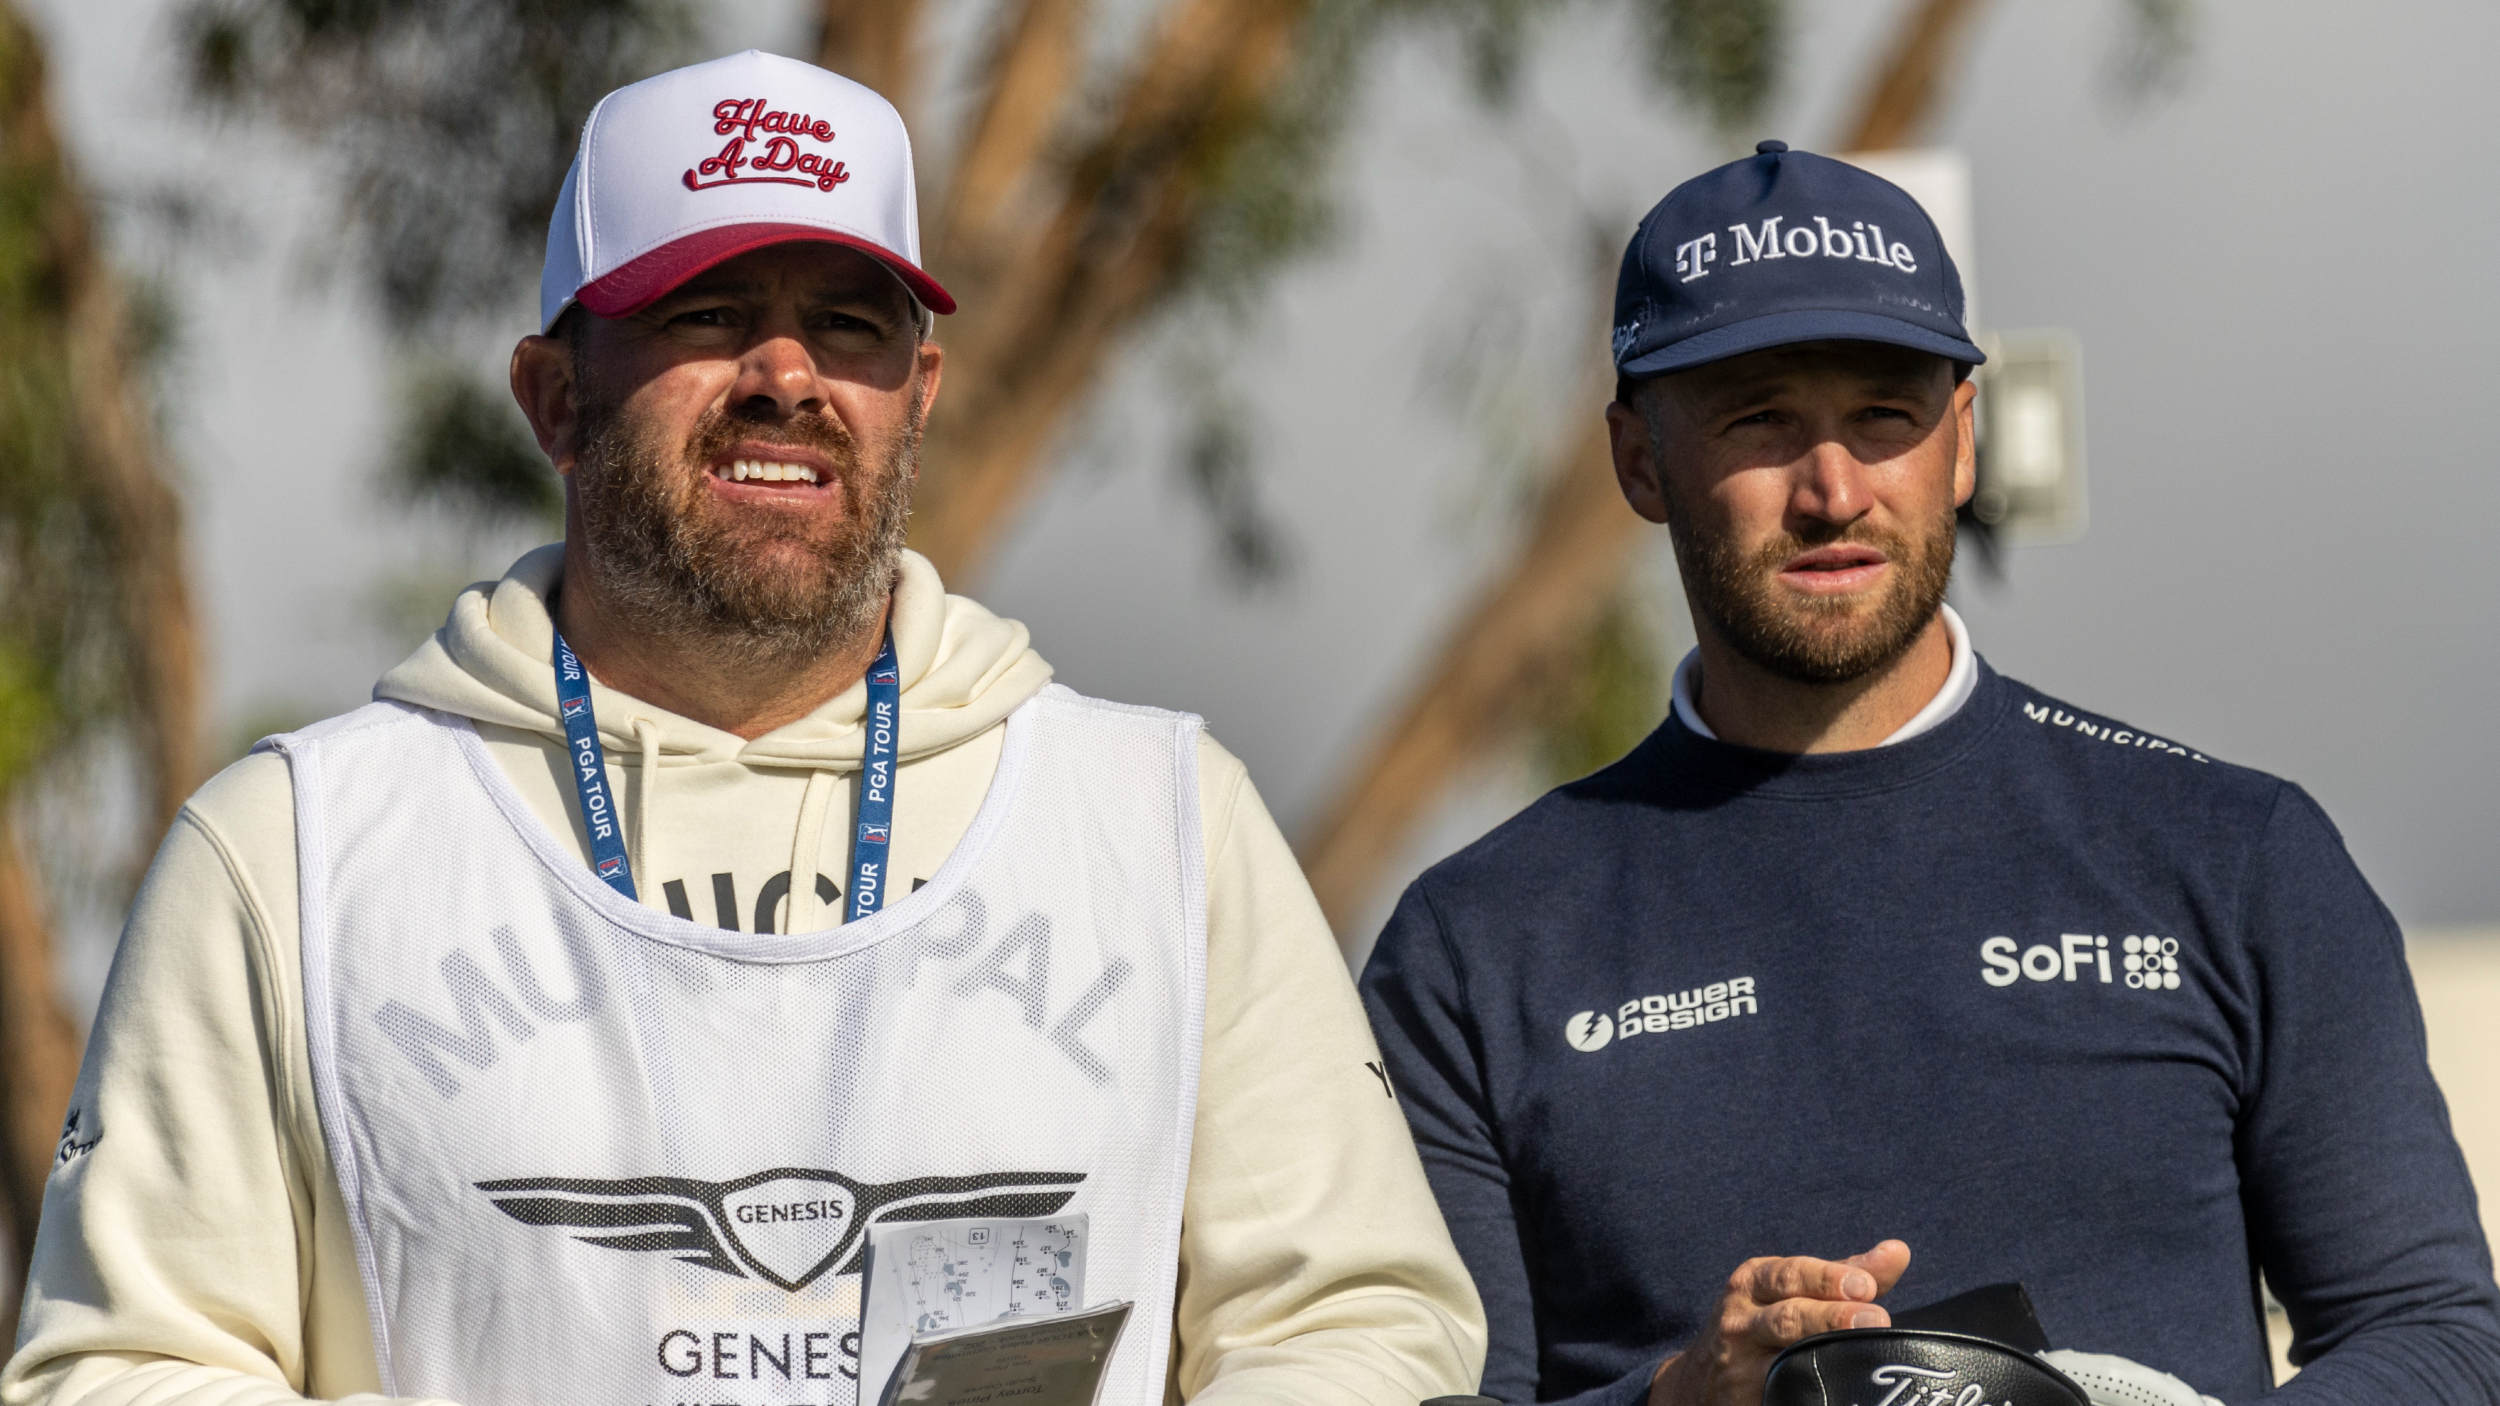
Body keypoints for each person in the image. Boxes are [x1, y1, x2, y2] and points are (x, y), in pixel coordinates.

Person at [2, 50, 1483, 1406]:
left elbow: (1358, 1326)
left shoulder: (1164, 822)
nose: (787, 376)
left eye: (849, 326)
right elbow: (123, 1366)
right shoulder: (294, 854)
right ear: (552, 397)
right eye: (707, 314)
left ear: (920, 397)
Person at [1358, 141, 2500, 1406]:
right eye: (1759, 420)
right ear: (1639, 460)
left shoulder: (2235, 855)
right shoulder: (1474, 946)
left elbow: (2438, 1336)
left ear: (1961, 440)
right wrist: (1681, 1398)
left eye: (1883, 416)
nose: (1832, 488)